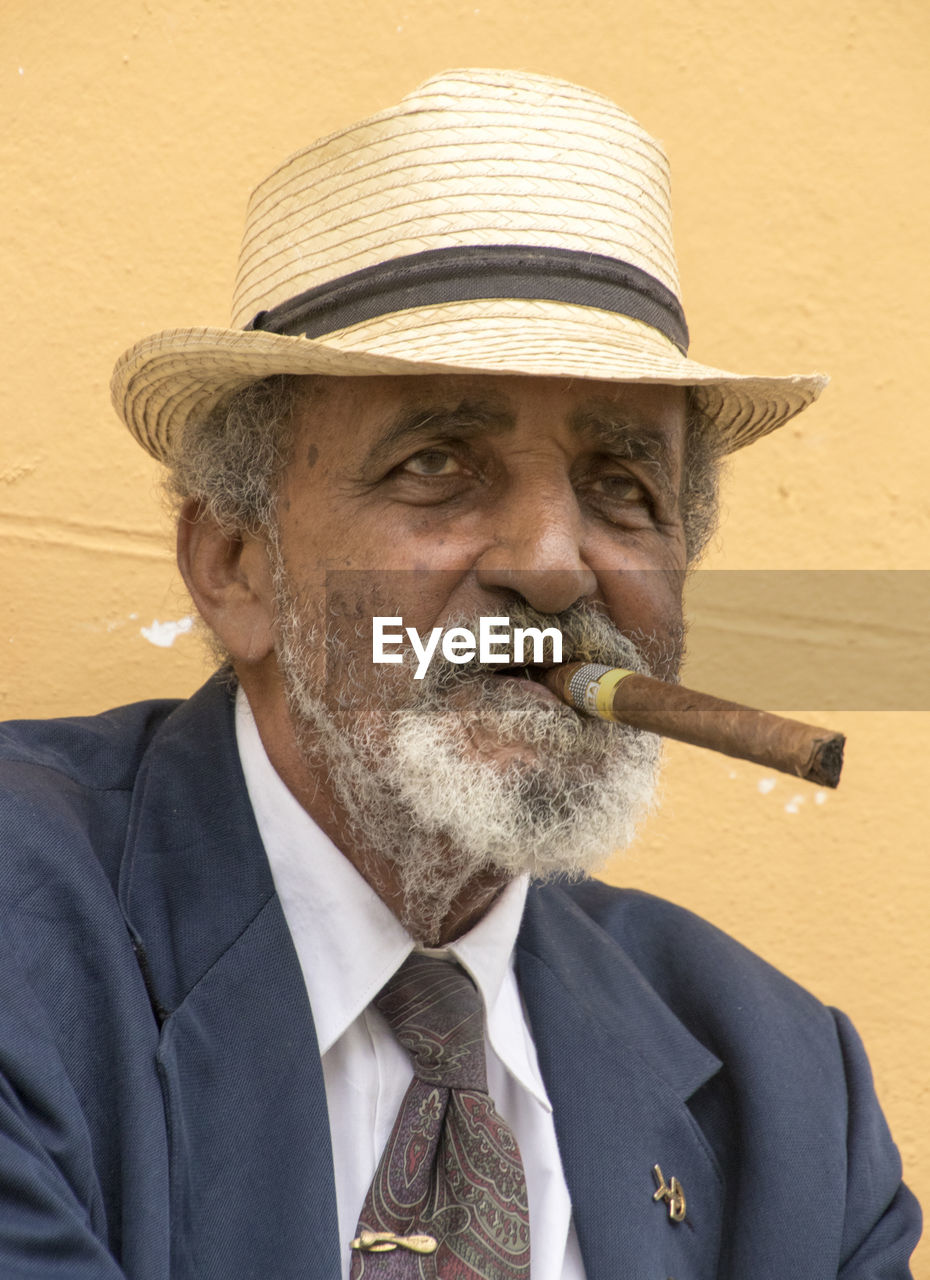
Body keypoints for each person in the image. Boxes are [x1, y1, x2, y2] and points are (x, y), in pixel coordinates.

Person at [0, 68, 919, 1279]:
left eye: (622, 486)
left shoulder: (791, 1101)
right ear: (234, 564)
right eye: (438, 462)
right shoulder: (25, 941)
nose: (552, 568)